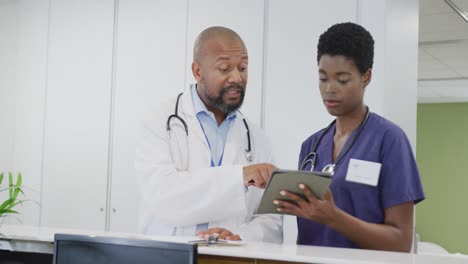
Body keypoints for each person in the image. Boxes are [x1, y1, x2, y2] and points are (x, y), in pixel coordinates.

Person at [273, 22, 424, 251]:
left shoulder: (389, 140)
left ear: (366, 77)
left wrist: (335, 218)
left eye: (342, 80)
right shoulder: (311, 146)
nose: (329, 89)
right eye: (323, 78)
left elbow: (401, 241)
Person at [135, 26, 282, 243]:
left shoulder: (256, 137)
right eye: (224, 68)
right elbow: (163, 197)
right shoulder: (158, 121)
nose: (237, 78)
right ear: (197, 71)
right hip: (168, 254)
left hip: (228, 258)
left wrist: (241, 236)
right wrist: (239, 176)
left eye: (243, 68)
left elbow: (271, 219)